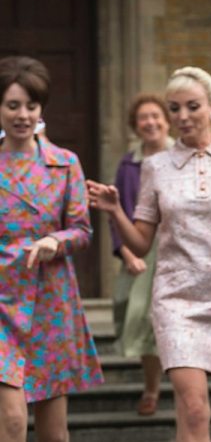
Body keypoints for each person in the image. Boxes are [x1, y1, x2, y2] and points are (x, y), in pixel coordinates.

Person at [87, 67, 211, 442]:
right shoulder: (155, 166)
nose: (182, 116)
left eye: (192, 106)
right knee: (195, 409)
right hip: (177, 302)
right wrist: (115, 211)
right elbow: (141, 243)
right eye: (174, 108)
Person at [0, 55, 104, 442]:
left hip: (50, 299)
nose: (22, 115)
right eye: (12, 105)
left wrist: (54, 241)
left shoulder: (64, 163)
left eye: (30, 106)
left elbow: (82, 230)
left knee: (54, 433)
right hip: (2, 298)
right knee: (12, 420)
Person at [109, 93, 174, 416]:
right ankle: (152, 386)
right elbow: (116, 211)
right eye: (143, 118)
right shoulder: (128, 164)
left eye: (155, 116)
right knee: (134, 314)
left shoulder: (181, 155)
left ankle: (174, 385)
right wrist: (127, 253)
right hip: (139, 250)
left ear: (166, 121)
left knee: (161, 319)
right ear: (135, 126)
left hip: (175, 248)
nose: (150, 123)